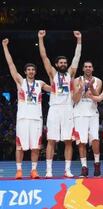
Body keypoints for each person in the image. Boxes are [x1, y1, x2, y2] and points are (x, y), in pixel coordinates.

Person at [2, 38, 51, 179]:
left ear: (35, 72)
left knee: (36, 146)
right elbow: (10, 64)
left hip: (36, 119)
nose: (30, 71)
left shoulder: (40, 84)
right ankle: (19, 170)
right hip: (23, 119)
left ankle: (34, 170)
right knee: (20, 146)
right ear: (25, 72)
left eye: (33, 70)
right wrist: (5, 47)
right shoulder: (20, 82)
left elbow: (55, 89)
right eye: (28, 70)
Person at [38, 30, 82, 178]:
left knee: (68, 140)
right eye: (61, 63)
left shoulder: (71, 74)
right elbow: (44, 56)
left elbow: (77, 57)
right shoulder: (52, 74)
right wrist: (40, 39)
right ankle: (49, 170)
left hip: (68, 109)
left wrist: (79, 40)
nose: (63, 64)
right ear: (56, 64)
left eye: (65, 63)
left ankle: (67, 170)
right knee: (51, 140)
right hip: (54, 110)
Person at [73, 61, 102, 177]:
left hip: (93, 113)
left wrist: (90, 86)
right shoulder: (76, 80)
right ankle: (84, 166)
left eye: (90, 66)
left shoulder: (98, 81)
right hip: (79, 113)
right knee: (81, 141)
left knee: (95, 139)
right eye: (86, 67)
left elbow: (97, 97)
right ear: (83, 69)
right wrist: (81, 89)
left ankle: (96, 163)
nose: (88, 68)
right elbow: (75, 99)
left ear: (93, 69)